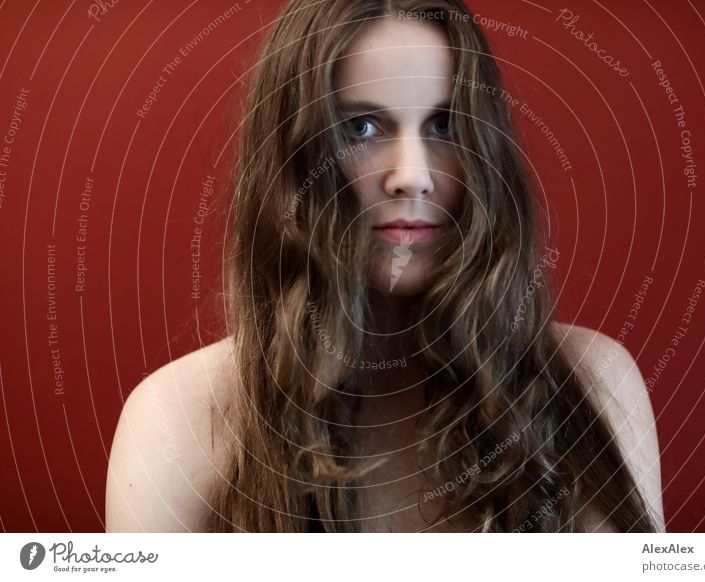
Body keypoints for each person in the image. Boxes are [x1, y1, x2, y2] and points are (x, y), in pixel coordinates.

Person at [106, 0, 665, 533]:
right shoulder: (176, 424)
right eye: (361, 128)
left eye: (444, 125)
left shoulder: (595, 385)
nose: (413, 176)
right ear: (292, 161)